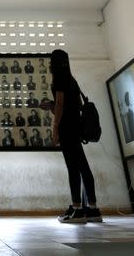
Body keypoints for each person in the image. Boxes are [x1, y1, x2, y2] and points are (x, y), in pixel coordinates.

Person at [44, 49, 102, 224]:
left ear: (54, 63)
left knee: (73, 168)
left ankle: (77, 209)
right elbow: (71, 106)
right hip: (75, 127)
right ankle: (93, 209)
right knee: (83, 167)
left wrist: (55, 130)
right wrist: (51, 106)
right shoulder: (72, 80)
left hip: (67, 129)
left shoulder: (60, 78)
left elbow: (61, 105)